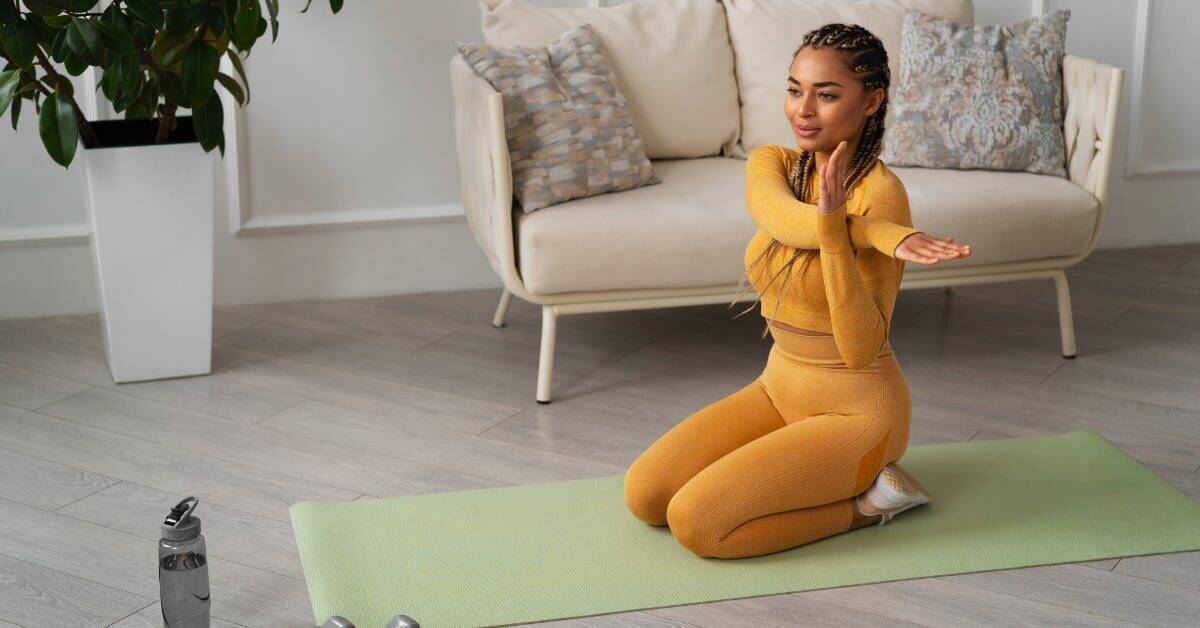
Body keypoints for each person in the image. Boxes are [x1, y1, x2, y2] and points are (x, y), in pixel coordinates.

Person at [623, 23, 972, 559]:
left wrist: (843, 230)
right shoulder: (776, 166)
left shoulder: (884, 194)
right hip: (779, 388)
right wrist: (867, 232)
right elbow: (788, 222)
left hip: (858, 414)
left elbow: (859, 349)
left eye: (827, 94)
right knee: (646, 496)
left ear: (871, 101)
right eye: (794, 89)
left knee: (698, 524)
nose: (802, 110)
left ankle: (872, 503)